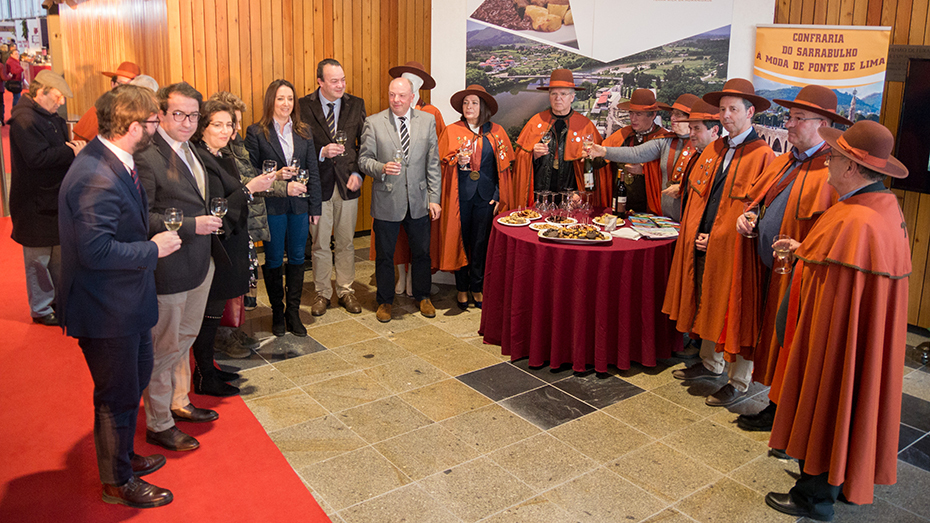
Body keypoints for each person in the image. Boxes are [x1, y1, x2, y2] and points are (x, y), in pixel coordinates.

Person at [764, 120, 910, 522]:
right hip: (856, 337)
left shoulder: (855, 219)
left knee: (831, 394)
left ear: (852, 167)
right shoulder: (880, 208)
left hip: (836, 339)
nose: (827, 162)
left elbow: (841, 279)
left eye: (834, 156)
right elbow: (840, 262)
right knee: (852, 396)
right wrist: (804, 249)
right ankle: (839, 476)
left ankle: (813, 496)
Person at [58, 84, 180, 508]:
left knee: (133, 384)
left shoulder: (112, 159)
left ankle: (124, 457)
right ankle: (116, 482)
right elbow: (95, 252)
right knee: (117, 396)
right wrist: (153, 250)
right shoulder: (96, 176)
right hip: (106, 309)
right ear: (132, 127)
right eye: (153, 122)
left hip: (126, 301)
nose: (157, 128)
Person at [731, 85, 852, 432]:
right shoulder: (785, 160)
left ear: (823, 125)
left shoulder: (832, 171)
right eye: (789, 117)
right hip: (768, 271)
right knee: (773, 338)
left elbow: (837, 229)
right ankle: (775, 402)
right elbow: (759, 200)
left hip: (802, 278)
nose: (788, 124)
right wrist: (749, 216)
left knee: (793, 344)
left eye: (798, 118)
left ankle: (785, 412)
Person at [667, 78, 776, 407]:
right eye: (723, 109)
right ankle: (710, 362)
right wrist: (698, 233)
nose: (726, 115)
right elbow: (702, 198)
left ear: (750, 112)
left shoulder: (763, 155)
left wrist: (717, 236)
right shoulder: (716, 148)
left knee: (734, 308)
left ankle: (738, 380)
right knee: (708, 298)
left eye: (733, 109)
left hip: (736, 250)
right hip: (704, 242)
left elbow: (757, 209)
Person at [135, 82, 222, 452]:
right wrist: (191, 225)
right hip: (169, 268)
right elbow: (142, 218)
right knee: (164, 349)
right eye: (179, 114)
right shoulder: (147, 155)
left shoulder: (192, 149)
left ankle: (178, 401)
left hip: (200, 263)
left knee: (184, 339)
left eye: (193, 115)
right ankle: (159, 423)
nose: (187, 122)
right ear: (161, 114)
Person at [189, 100, 275, 396]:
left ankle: (208, 368)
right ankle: (203, 376)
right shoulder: (201, 158)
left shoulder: (221, 154)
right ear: (203, 127)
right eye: (218, 125)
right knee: (209, 314)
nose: (226, 130)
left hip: (231, 241)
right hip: (216, 244)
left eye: (230, 124)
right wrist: (250, 189)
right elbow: (217, 206)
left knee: (215, 313)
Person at [358, 76, 441, 323]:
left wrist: (434, 198)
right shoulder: (373, 123)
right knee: (385, 255)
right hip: (387, 201)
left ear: (412, 97)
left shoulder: (427, 121)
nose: (396, 100)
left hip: (419, 200)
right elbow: (363, 160)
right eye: (392, 94)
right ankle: (384, 301)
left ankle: (423, 296)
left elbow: (433, 163)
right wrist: (381, 168)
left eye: (402, 95)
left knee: (422, 253)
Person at [245, 79, 323, 337]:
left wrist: (315, 206)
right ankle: (277, 312)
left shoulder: (304, 131)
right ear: (271, 101)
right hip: (272, 206)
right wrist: (276, 176)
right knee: (274, 259)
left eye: (290, 98)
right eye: (280, 98)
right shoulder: (256, 132)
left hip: (299, 205)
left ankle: (293, 312)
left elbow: (313, 169)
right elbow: (249, 172)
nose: (286, 103)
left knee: (299, 258)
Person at [8, 70, 85, 326]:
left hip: (55, 198)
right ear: (40, 93)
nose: (61, 102)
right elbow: (36, 158)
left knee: (59, 257)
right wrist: (70, 151)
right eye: (58, 96)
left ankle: (58, 301)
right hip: (33, 202)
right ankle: (41, 309)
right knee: (38, 260)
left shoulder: (51, 117)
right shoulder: (24, 119)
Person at [209, 90, 283, 356]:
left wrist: (276, 182)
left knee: (238, 281)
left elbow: (251, 179)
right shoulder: (212, 153)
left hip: (242, 221)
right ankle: (222, 335)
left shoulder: (235, 146)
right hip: (224, 225)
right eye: (229, 123)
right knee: (225, 284)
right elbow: (242, 186)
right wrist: (268, 185)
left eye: (234, 123)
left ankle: (232, 330)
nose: (234, 129)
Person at [435, 84, 515, 310]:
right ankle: (461, 288)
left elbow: (504, 168)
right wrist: (455, 161)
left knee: (480, 243)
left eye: (474, 103)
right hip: (460, 198)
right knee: (460, 241)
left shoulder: (497, 132)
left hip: (485, 198)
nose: (469, 107)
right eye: (466, 103)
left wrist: (498, 195)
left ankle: (477, 286)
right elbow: (440, 164)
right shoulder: (452, 130)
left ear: (483, 107)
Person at [299, 58, 367, 316]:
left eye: (343, 80)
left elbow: (364, 145)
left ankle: (346, 290)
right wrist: (321, 152)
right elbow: (299, 145)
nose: (341, 85)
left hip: (348, 184)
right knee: (319, 243)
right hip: (318, 185)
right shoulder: (303, 106)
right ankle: (322, 292)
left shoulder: (356, 104)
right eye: (334, 81)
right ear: (320, 82)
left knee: (346, 242)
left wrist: (358, 173)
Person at [385, 60, 446, 296]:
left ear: (419, 86)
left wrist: (433, 192)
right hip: (394, 185)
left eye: (413, 81)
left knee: (418, 239)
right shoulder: (391, 112)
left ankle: (414, 278)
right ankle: (400, 276)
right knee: (397, 237)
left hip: (419, 188)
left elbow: (437, 154)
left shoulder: (431, 113)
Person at [589, 93, 699, 220]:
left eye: (678, 115)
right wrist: (602, 151)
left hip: (682, 214)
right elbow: (636, 153)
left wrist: (683, 187)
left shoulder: (701, 145)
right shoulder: (665, 141)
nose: (672, 118)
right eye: (672, 114)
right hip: (662, 217)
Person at [512, 68, 610, 209]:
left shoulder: (585, 125)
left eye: (563, 94)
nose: (558, 98)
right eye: (554, 94)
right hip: (541, 195)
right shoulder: (535, 122)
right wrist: (532, 155)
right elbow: (520, 161)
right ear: (549, 96)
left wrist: (580, 193)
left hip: (572, 196)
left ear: (572, 97)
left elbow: (597, 166)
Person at [600, 89, 676, 215]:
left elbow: (670, 174)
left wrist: (645, 170)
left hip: (650, 209)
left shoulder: (665, 139)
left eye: (638, 114)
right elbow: (600, 161)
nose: (633, 118)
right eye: (631, 113)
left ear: (653, 115)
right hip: (619, 207)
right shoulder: (623, 134)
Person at [72, 61, 142, 142]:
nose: (125, 89)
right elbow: (80, 143)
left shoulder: (142, 113)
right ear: (113, 84)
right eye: (121, 84)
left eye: (130, 85)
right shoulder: (98, 111)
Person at [679, 99, 722, 214]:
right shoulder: (697, 155)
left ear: (714, 130)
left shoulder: (721, 159)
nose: (691, 133)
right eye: (690, 128)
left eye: (697, 128)